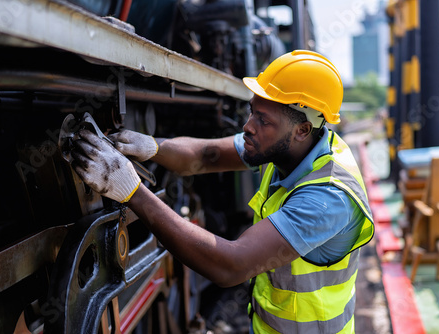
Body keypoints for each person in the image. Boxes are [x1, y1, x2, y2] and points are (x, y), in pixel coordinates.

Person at [71, 50, 374, 333]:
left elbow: (231, 265)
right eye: (252, 112)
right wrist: (151, 147)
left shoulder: (328, 198)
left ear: (302, 130)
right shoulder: (289, 146)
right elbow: (203, 155)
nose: (248, 127)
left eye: (263, 120)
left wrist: (132, 192)